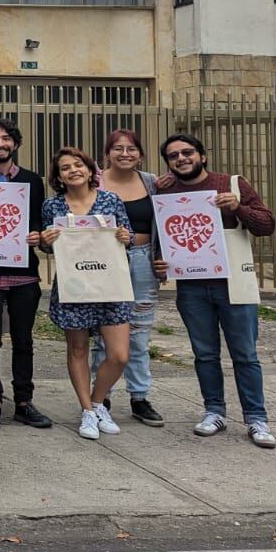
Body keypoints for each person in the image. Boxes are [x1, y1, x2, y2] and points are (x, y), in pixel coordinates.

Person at [153, 133, 276, 449]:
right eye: (173, 156)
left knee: (245, 354)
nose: (181, 159)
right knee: (205, 354)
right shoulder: (166, 192)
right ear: (167, 163)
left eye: (187, 152)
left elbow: (266, 225)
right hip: (192, 288)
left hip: (233, 284)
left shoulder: (231, 184)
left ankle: (256, 418)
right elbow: (162, 235)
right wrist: (160, 260)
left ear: (202, 156)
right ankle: (214, 411)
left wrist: (238, 207)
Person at [39, 146, 134, 441]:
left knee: (119, 355)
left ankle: (97, 401)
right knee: (77, 350)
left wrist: (125, 236)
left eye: (78, 165)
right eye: (65, 168)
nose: (73, 171)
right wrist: (45, 240)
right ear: (59, 177)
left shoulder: (110, 200)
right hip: (75, 285)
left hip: (110, 285)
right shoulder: (52, 206)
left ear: (90, 169)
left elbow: (128, 236)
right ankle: (87, 411)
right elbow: (47, 246)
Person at [0, 119, 51, 431]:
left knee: (23, 339)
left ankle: (24, 401)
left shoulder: (32, 180)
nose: (0, 144)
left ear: (15, 143)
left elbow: (38, 219)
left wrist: (37, 235)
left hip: (24, 272)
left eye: (5, 138)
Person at [93, 129, 164, 426]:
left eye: (131, 148)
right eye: (118, 148)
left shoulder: (152, 183)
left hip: (143, 260)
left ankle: (139, 396)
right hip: (105, 262)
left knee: (139, 332)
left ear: (141, 154)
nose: (125, 154)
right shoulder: (94, 181)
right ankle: (101, 395)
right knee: (103, 331)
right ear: (107, 154)